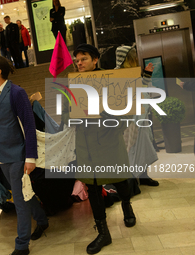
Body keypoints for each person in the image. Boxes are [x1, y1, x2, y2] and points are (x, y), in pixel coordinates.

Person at [64, 44, 136, 254]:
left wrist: (112, 117)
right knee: (93, 188)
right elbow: (68, 115)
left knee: (120, 179)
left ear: (95, 60)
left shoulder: (112, 80)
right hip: (85, 145)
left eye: (84, 59)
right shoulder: (74, 84)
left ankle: (126, 205)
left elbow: (128, 113)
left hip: (108, 140)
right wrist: (71, 118)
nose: (79, 63)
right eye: (77, 60)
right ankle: (103, 232)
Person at [0, 56, 48, 255]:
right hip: (1, 156)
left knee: (18, 199)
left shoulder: (17, 93)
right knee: (22, 195)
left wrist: (30, 157)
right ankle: (42, 221)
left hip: (18, 155)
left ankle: (22, 245)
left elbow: (29, 125)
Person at [115, 45, 159, 187]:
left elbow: (141, 88)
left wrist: (146, 75)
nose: (135, 58)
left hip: (141, 118)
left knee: (143, 145)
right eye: (132, 56)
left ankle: (144, 176)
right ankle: (132, 179)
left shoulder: (132, 73)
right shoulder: (116, 75)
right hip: (127, 120)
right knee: (130, 148)